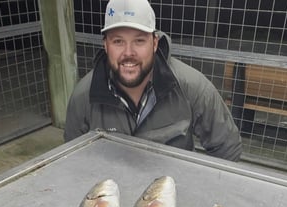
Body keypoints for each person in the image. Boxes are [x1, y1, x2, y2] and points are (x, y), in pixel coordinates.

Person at [64, 0, 242, 162]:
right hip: (112, 192)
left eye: (139, 41)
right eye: (118, 41)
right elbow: (73, 161)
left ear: (155, 43)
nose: (128, 53)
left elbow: (227, 146)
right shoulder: (83, 97)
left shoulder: (190, 87)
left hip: (170, 190)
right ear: (105, 45)